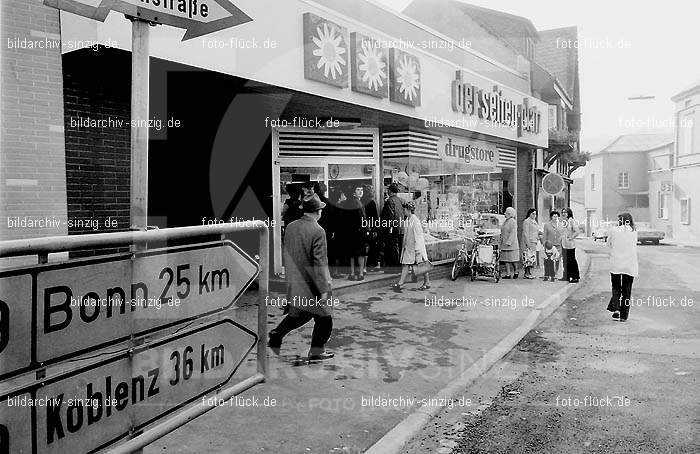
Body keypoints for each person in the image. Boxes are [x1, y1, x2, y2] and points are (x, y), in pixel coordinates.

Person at [268, 194, 334, 361]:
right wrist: (324, 288)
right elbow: (319, 264)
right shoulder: (318, 231)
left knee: (299, 314)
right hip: (311, 284)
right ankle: (317, 352)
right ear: (317, 211)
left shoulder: (290, 226)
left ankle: (277, 333)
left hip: (293, 279)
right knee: (325, 319)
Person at [391, 201, 430, 291]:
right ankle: (401, 283)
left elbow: (418, 236)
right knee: (406, 264)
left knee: (422, 265)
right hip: (409, 247)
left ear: (408, 209)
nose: (403, 211)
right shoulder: (408, 219)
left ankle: (427, 282)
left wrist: (417, 249)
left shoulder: (414, 220)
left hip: (415, 247)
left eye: (404, 209)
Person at [606, 212, 639, 321]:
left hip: (616, 263)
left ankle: (616, 308)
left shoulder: (614, 230)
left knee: (616, 288)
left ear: (620, 221)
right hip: (630, 264)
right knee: (627, 290)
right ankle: (624, 316)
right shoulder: (634, 231)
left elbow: (608, 243)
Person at [343, 185, 369, 281]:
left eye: (361, 190)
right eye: (358, 190)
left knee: (352, 253)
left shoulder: (346, 202)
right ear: (354, 192)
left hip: (350, 232)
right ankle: (361, 273)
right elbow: (363, 219)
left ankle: (352, 273)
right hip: (359, 231)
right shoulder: (359, 203)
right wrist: (367, 230)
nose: (360, 192)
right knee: (361, 253)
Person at [381, 183, 405, 274]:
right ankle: (399, 267)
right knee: (398, 247)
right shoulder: (400, 200)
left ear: (389, 191)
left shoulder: (390, 201)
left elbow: (389, 217)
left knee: (392, 249)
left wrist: (388, 229)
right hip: (401, 228)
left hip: (393, 229)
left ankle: (393, 268)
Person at [362, 185, 382, 272]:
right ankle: (374, 264)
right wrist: (375, 229)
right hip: (371, 226)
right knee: (373, 246)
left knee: (366, 246)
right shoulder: (372, 202)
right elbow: (376, 217)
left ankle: (365, 266)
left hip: (364, 226)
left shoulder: (362, 202)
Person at [499, 206, 520, 279]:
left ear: (509, 214)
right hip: (504, 243)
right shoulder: (505, 221)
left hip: (511, 244)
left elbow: (513, 233)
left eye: (506, 213)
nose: (504, 214)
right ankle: (508, 274)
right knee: (506, 259)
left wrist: (509, 242)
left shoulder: (513, 222)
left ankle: (516, 271)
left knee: (513, 259)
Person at [561, 208, 580, 283]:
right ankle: (567, 276)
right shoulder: (564, 221)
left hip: (570, 244)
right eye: (562, 212)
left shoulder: (571, 221)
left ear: (569, 213)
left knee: (571, 261)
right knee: (566, 261)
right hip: (564, 244)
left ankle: (575, 277)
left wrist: (571, 237)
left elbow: (577, 231)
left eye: (565, 212)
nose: (563, 213)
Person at [542, 210, 563, 278]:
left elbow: (563, 234)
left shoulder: (560, 225)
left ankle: (555, 272)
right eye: (554, 216)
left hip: (558, 245)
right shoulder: (547, 225)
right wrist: (544, 242)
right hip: (549, 245)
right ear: (551, 217)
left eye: (557, 216)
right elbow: (544, 235)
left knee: (557, 259)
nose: (555, 217)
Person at [521, 208, 539, 279]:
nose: (534, 215)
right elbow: (526, 233)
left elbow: (536, 231)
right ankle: (526, 273)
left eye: (535, 214)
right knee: (527, 257)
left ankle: (529, 272)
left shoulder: (534, 221)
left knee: (531, 258)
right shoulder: (527, 221)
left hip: (534, 241)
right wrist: (527, 243)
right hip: (528, 241)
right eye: (533, 214)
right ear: (529, 214)